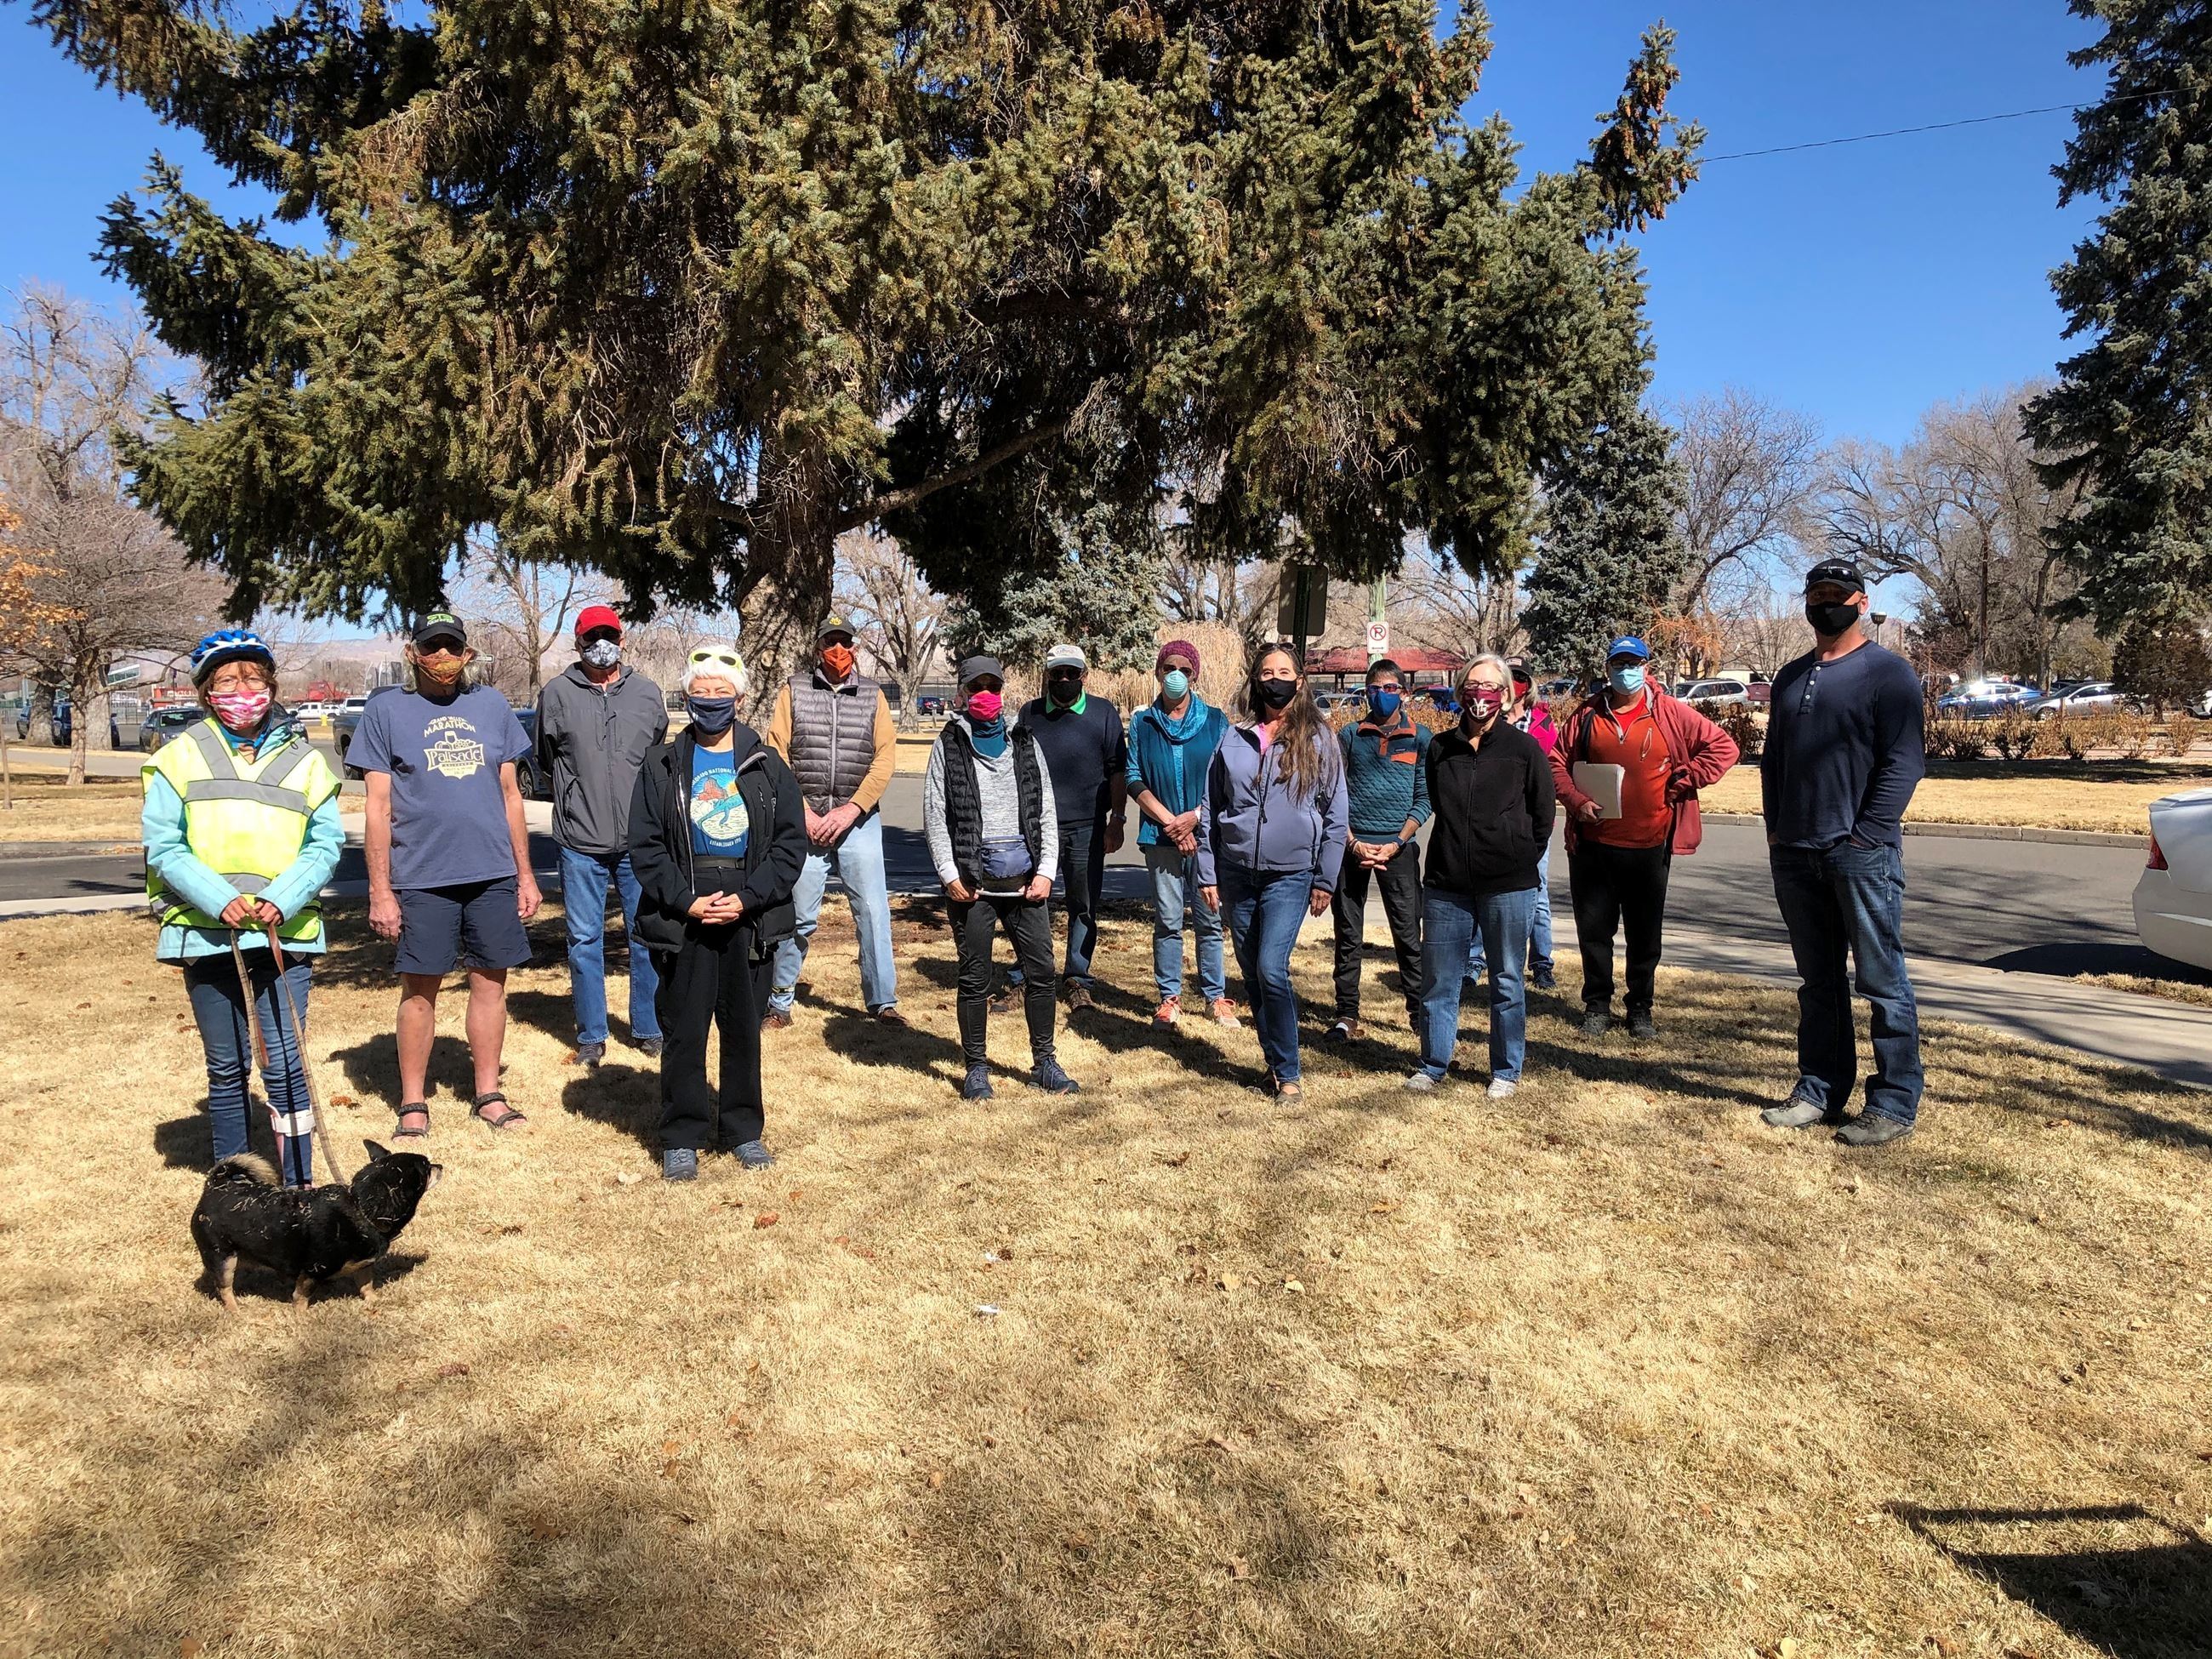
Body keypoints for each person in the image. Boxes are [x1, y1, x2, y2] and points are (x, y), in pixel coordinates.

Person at [144, 630, 345, 1187]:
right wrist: (217, 898)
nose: (241, 689)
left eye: (252, 677)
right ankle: (233, 1190)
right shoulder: (177, 758)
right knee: (227, 1068)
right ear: (207, 692)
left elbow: (325, 843)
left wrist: (284, 897)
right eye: (227, 680)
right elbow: (164, 845)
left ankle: (300, 1185)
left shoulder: (307, 762)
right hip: (205, 934)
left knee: (285, 1067)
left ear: (271, 684)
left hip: (286, 934)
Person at [1760, 558, 1927, 1148]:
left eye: (1837, 594)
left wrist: (1868, 834)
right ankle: (1820, 1090)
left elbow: (1904, 762)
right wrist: (1775, 831)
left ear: (1861, 603)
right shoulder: (1789, 676)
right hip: (1797, 854)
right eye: (1817, 594)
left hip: (1861, 855)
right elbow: (1774, 760)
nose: (1825, 603)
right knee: (1818, 982)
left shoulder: (1889, 674)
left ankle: (1894, 1101)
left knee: (1882, 981)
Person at [354, 611, 540, 1137]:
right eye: (431, 647)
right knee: (420, 991)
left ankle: (488, 1093)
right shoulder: (386, 710)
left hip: (491, 873)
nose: (441, 657)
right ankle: (413, 1102)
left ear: (466, 655)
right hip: (421, 876)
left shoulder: (491, 706)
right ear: (413, 654)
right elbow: (377, 806)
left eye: (451, 647)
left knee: (490, 984)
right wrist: (380, 889)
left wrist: (525, 875)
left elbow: (511, 795)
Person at [629, 647, 807, 1179]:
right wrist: (686, 901)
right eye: (700, 692)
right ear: (687, 697)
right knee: (684, 1027)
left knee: (742, 1025)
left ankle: (743, 1130)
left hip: (748, 910)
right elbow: (646, 845)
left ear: (740, 698)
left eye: (720, 693)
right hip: (685, 910)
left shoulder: (766, 763)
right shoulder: (661, 763)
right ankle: (682, 1133)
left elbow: (789, 844)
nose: (710, 702)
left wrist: (748, 898)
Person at [1550, 636, 1739, 1040]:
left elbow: (1723, 747)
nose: (1626, 671)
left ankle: (1640, 1009)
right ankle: (1597, 1005)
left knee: (1644, 934)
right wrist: (1576, 799)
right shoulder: (1586, 715)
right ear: (1607, 669)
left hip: (1650, 844)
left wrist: (1686, 779)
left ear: (1646, 666)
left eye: (1633, 663)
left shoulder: (1669, 712)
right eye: (1618, 663)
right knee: (1595, 932)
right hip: (1594, 845)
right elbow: (1555, 763)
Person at [922, 656, 1081, 1099]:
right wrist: (949, 873)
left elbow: (1046, 809)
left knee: (1041, 971)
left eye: (993, 685)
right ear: (964, 693)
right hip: (973, 885)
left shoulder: (1024, 741)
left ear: (1003, 689)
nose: (986, 694)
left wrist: (1047, 871)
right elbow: (935, 815)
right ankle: (976, 1068)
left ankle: (1045, 1063)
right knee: (975, 977)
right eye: (977, 687)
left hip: (1026, 882)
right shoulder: (948, 744)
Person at [1196, 644, 1348, 1101]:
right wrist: (1207, 872)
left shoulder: (1319, 739)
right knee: (1251, 972)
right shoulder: (1233, 736)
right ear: (1255, 680)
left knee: (1271, 968)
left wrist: (1325, 877)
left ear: (1300, 682)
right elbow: (1210, 807)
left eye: (1284, 672)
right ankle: (1273, 1062)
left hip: (1291, 873)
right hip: (1237, 871)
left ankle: (1290, 1073)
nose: (1275, 679)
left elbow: (1336, 814)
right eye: (1267, 672)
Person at [1406, 655, 1554, 1099]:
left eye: (1490, 686)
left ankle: (1506, 1071)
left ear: (1507, 694)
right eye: (1471, 686)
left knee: (1507, 979)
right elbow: (1437, 801)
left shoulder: (1524, 750)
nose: (1480, 695)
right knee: (1440, 980)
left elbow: (1543, 815)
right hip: (1447, 884)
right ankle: (1433, 1063)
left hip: (1509, 885)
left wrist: (1518, 854)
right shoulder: (1440, 749)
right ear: (1459, 693)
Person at [536, 603, 669, 1067]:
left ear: (623, 638)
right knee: (583, 940)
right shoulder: (555, 694)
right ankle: (592, 1035)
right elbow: (548, 759)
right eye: (591, 637)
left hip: (640, 843)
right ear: (577, 643)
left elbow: (657, 760)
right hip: (579, 842)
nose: (600, 645)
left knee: (645, 936)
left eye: (608, 635)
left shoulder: (648, 694)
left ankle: (648, 1027)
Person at [761, 614, 903, 1029]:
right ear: (818, 647)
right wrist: (801, 810)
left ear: (855, 648)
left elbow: (885, 759)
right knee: (800, 914)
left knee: (873, 911)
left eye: (844, 642)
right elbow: (777, 753)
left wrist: (851, 810)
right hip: (803, 820)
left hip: (858, 820)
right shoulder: (794, 690)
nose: (838, 651)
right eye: (830, 643)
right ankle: (779, 1001)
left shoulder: (873, 695)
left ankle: (882, 1002)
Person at [998, 641, 1127, 1012]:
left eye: (1073, 673)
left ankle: (1077, 979)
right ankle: (1026, 975)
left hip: (1088, 826)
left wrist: (1116, 820)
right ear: (1048, 676)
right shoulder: (1030, 714)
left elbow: (1118, 771)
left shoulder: (1104, 714)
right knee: (1028, 901)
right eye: (1058, 674)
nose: (1066, 679)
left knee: (1084, 905)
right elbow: (1018, 770)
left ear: (1084, 675)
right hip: (1036, 829)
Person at [1125, 640, 1238, 1029]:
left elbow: (1228, 780)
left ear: (1195, 675)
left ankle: (1216, 996)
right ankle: (1169, 998)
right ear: (1157, 672)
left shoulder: (1216, 720)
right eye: (1168, 668)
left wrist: (1195, 817)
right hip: (1160, 838)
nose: (1176, 675)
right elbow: (1134, 777)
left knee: (1209, 917)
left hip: (1206, 836)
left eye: (1184, 670)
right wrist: (1170, 822)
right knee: (1168, 920)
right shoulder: (1143, 722)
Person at [1325, 657, 1429, 1041]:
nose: (1382, 695)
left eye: (1390, 688)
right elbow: (1334, 793)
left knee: (1408, 934)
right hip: (1351, 849)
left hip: (1398, 851)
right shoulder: (1350, 735)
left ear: (1402, 692)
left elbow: (1424, 798)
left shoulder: (1421, 738)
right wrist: (1352, 842)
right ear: (1365, 693)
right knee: (1348, 933)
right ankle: (1346, 1014)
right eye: (1374, 689)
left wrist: (1396, 842)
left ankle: (1419, 1014)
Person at [1467, 664, 1560, 993]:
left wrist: (1537, 840)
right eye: (1513, 678)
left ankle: (1541, 962)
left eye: (1523, 679)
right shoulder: (1487, 721)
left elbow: (1544, 784)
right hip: (1493, 828)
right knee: (1484, 894)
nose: (1518, 685)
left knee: (1538, 895)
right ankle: (1475, 960)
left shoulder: (1543, 724)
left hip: (1530, 827)